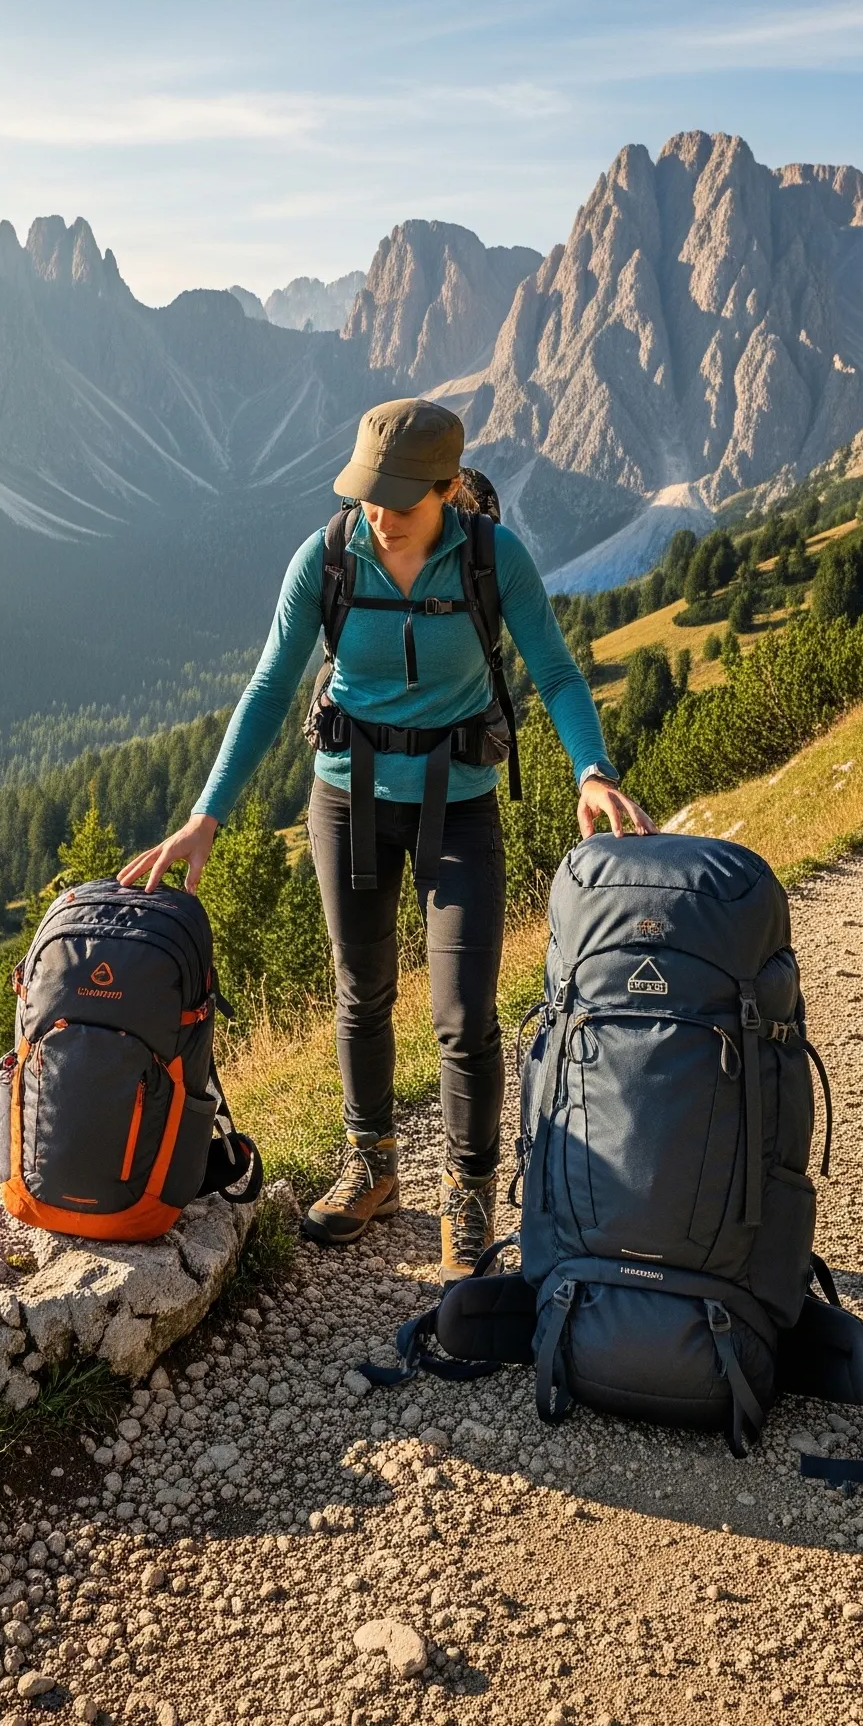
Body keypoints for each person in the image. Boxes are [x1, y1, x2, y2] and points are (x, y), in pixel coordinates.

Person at [121, 397, 654, 1280]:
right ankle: (372, 1166)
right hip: (348, 798)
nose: (379, 515)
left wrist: (589, 770)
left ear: (448, 489)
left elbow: (555, 670)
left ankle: (471, 1190)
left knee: (462, 1012)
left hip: (463, 802)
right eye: (369, 495)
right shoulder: (326, 557)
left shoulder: (493, 558)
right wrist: (206, 815)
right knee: (360, 987)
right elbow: (267, 688)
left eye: (400, 501)